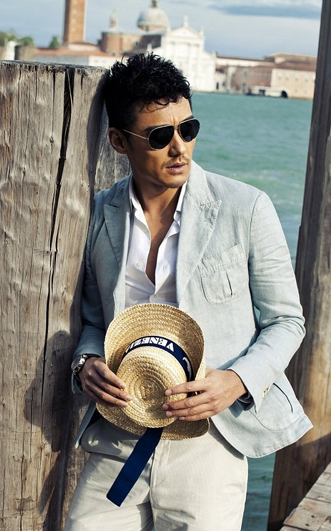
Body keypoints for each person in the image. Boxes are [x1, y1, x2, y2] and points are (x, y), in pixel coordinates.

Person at [66, 53, 312, 531]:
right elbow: (94, 320)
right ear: (119, 141)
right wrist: (86, 363)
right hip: (121, 433)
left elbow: (287, 321)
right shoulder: (98, 214)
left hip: (211, 442)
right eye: (160, 136)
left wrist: (236, 381)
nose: (179, 147)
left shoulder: (246, 208)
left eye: (188, 128)